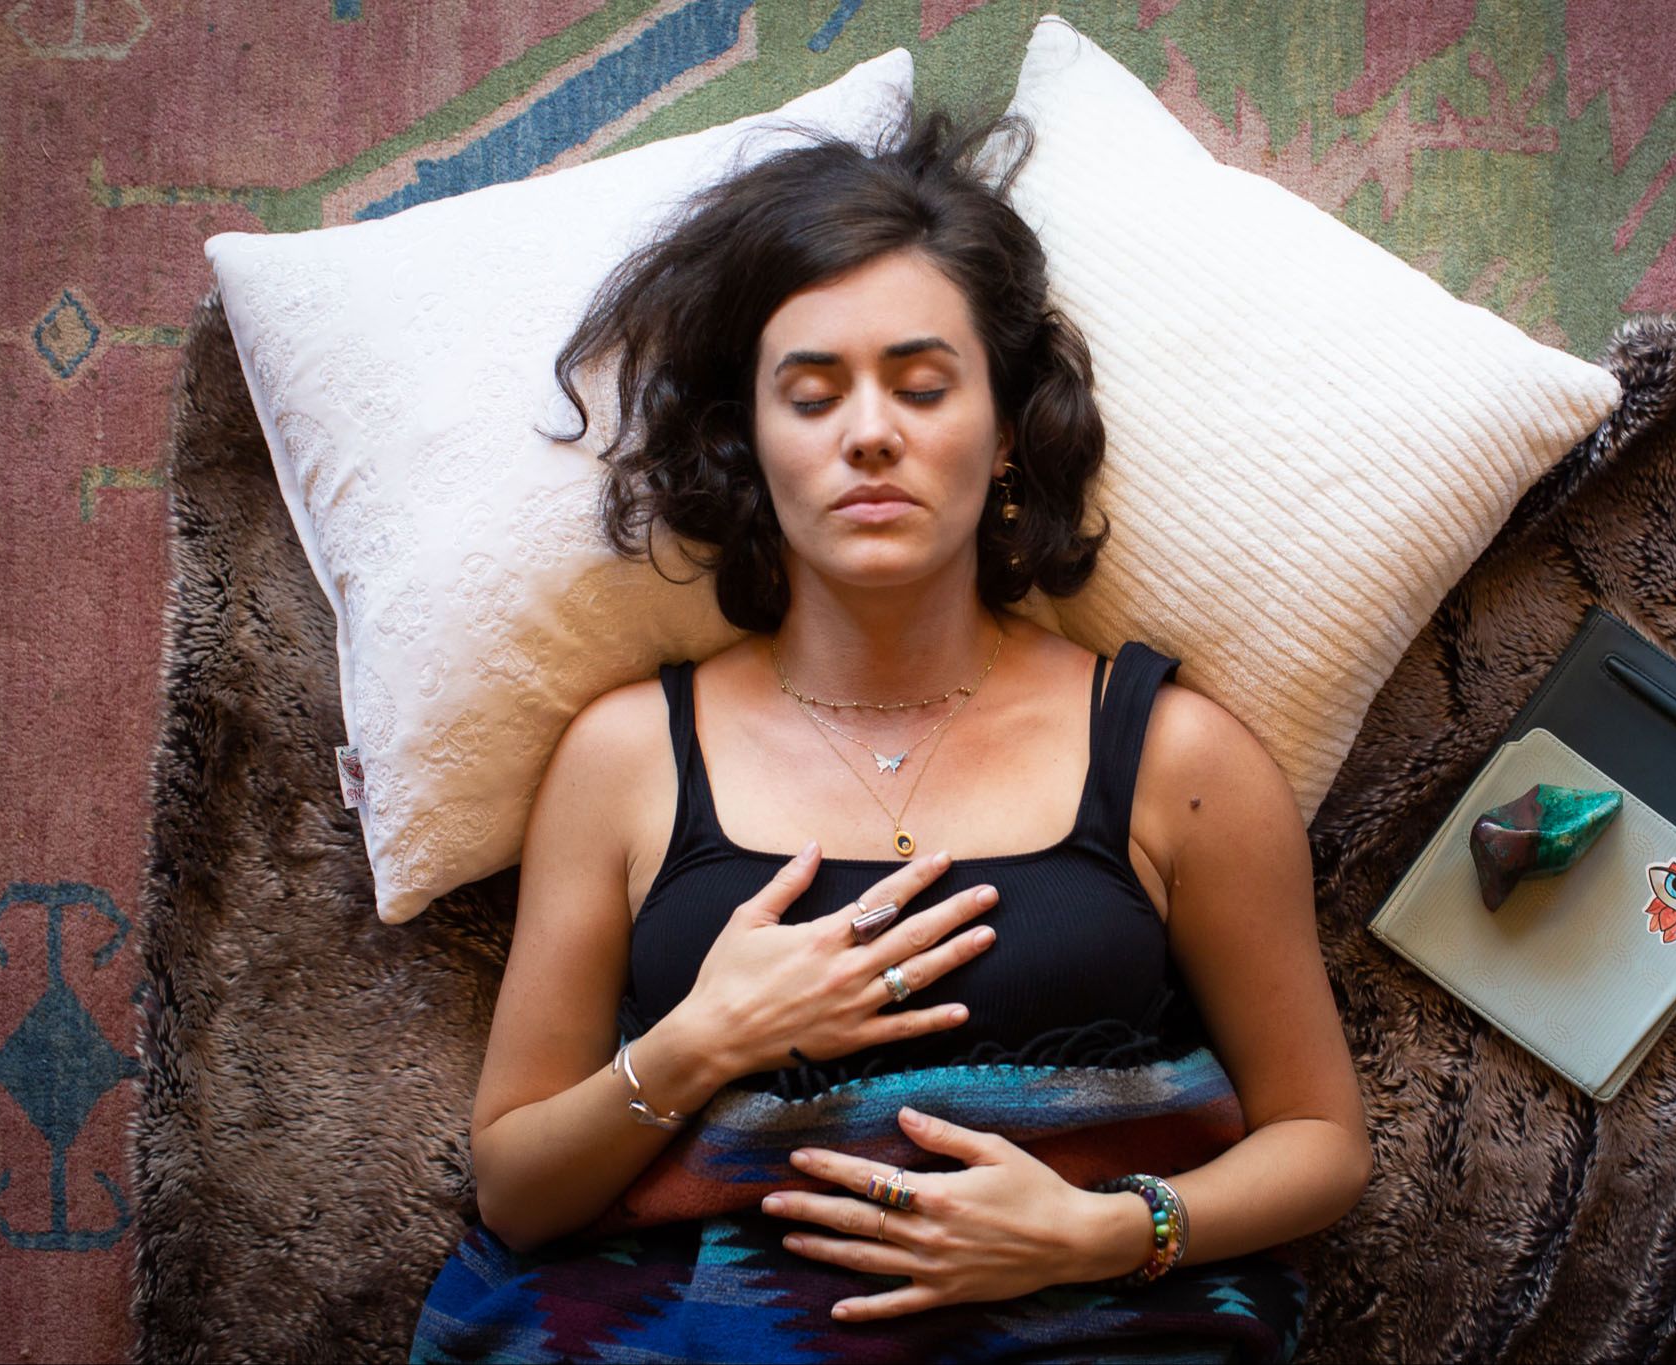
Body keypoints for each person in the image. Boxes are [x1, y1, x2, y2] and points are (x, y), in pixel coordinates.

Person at [411, 102, 1370, 1363]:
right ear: (748, 445)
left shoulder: (1175, 761)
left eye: (921, 387)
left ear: (1006, 431)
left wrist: (1100, 1232)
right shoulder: (624, 757)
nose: (869, 433)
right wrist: (702, 1042)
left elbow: (1321, 1141)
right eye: (810, 396)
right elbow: (518, 1194)